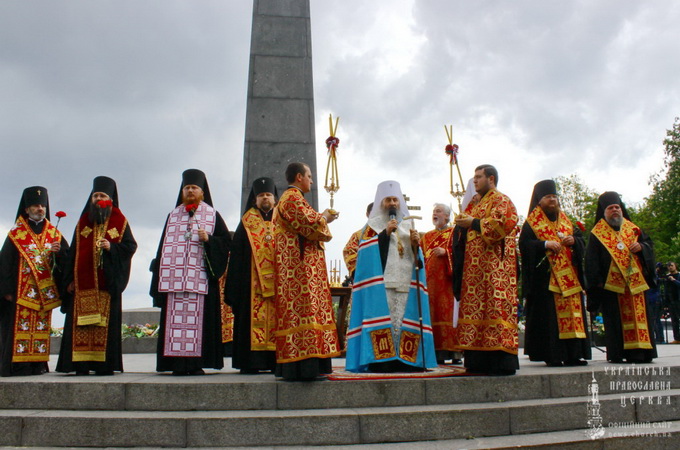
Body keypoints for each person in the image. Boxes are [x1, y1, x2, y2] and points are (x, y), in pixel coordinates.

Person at [345, 180, 437, 373]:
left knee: (403, 320)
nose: (392, 203)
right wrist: (384, 235)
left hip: (405, 282)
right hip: (382, 284)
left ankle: (406, 360)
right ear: (381, 203)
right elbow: (363, 253)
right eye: (388, 200)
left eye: (395, 199)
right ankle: (382, 361)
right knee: (385, 321)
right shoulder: (371, 226)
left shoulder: (408, 224)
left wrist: (415, 245)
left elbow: (417, 260)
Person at [150, 169, 231, 375]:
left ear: (202, 192)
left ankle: (196, 364)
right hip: (174, 283)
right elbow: (161, 248)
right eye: (187, 188)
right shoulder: (173, 215)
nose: (190, 191)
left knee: (199, 323)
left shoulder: (212, 215)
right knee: (174, 322)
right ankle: (175, 364)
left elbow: (226, 243)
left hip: (200, 281)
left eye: (194, 188)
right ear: (182, 191)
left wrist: (209, 240)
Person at [57, 176, 137, 375]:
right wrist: (68, 280)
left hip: (106, 287)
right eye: (96, 195)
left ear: (110, 199)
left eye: (103, 195)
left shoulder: (120, 221)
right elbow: (74, 252)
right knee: (81, 328)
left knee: (103, 327)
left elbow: (130, 247)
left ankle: (103, 366)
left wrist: (112, 247)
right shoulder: (83, 221)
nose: (99, 199)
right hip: (82, 288)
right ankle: (80, 366)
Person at [273, 162, 340, 381]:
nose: (312, 180)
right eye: (309, 176)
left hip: (302, 268)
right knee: (304, 313)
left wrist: (320, 217)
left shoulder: (294, 199)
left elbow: (306, 222)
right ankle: (304, 368)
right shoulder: (292, 198)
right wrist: (325, 219)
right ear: (299, 177)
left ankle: (311, 365)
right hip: (299, 271)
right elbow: (310, 226)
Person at [454, 164, 519, 375]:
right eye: (474, 177)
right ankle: (477, 360)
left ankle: (499, 362)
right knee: (476, 310)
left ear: (491, 179)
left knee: (494, 309)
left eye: (478, 177)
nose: (474, 181)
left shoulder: (501, 199)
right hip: (474, 271)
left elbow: (501, 225)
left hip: (495, 270)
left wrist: (472, 222)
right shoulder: (477, 204)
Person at [519, 180, 591, 367]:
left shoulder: (566, 220)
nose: (552, 200)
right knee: (551, 320)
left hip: (570, 279)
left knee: (573, 317)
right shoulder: (531, 224)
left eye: (554, 197)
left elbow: (582, 241)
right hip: (546, 280)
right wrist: (544, 244)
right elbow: (524, 246)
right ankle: (553, 354)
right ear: (539, 201)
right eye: (548, 197)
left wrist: (574, 240)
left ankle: (573, 355)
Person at [0, 187, 69, 377]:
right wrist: (6, 290)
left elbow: (67, 260)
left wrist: (59, 252)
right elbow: (5, 263)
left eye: (42, 205)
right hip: (20, 293)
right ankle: (17, 366)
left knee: (40, 329)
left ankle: (37, 365)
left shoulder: (53, 233)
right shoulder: (16, 234)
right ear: (27, 209)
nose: (40, 209)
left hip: (43, 295)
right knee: (17, 330)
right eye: (35, 206)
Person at [585, 191, 657, 363]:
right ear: (604, 211)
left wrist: (641, 247)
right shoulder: (597, 234)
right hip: (612, 287)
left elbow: (649, 245)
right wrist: (597, 283)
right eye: (611, 208)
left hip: (636, 284)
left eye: (617, 207)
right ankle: (619, 353)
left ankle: (643, 352)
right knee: (617, 323)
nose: (615, 210)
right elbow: (592, 261)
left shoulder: (633, 229)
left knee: (641, 319)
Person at [225, 177, 278, 374]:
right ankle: (251, 363)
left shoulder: (282, 220)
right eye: (261, 195)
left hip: (278, 284)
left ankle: (275, 362)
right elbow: (237, 256)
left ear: (274, 198)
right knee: (249, 321)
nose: (265, 198)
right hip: (251, 285)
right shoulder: (246, 222)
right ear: (255, 199)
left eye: (268, 195)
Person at [421, 203, 462, 364]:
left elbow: (461, 252)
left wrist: (447, 253)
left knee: (450, 315)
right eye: (433, 211)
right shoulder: (427, 236)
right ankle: (437, 353)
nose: (435, 214)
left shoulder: (454, 232)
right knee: (433, 315)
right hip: (430, 284)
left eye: (438, 211)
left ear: (446, 216)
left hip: (448, 283)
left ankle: (455, 354)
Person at [342, 202, 373, 282]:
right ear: (367, 214)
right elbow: (349, 253)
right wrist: (359, 273)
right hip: (367, 279)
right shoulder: (358, 236)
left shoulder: (391, 232)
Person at [665, 262, 680, 344]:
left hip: (678, 300)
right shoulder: (667, 277)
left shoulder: (678, 275)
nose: (670, 267)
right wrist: (666, 303)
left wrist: (674, 280)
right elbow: (666, 290)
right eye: (668, 266)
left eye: (671, 266)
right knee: (674, 320)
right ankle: (677, 338)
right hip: (671, 301)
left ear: (675, 266)